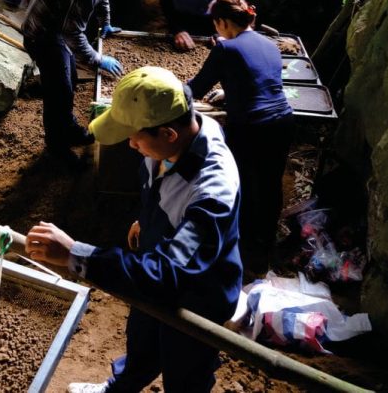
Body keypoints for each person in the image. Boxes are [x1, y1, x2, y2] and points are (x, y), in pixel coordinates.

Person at [26, 67, 242, 393]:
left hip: (196, 293)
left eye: (135, 135)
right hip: (156, 255)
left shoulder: (212, 192)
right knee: (141, 343)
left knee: (186, 370)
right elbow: (162, 191)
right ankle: (119, 388)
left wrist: (76, 255)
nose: (130, 144)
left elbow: (166, 274)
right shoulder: (180, 134)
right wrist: (150, 220)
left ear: (168, 134)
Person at [21, 0, 156, 165]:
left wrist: (106, 22)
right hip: (43, 33)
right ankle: (56, 149)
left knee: (70, 79)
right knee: (58, 92)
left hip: (56, 25)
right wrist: (98, 59)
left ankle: (70, 128)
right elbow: (72, 33)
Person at [188, 0, 294, 274]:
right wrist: (229, 90)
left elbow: (196, 88)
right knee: (270, 184)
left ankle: (246, 252)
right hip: (282, 120)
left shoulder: (225, 49)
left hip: (250, 127)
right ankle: (267, 242)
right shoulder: (269, 44)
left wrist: (167, 89)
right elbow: (258, 79)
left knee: (243, 184)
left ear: (222, 22)